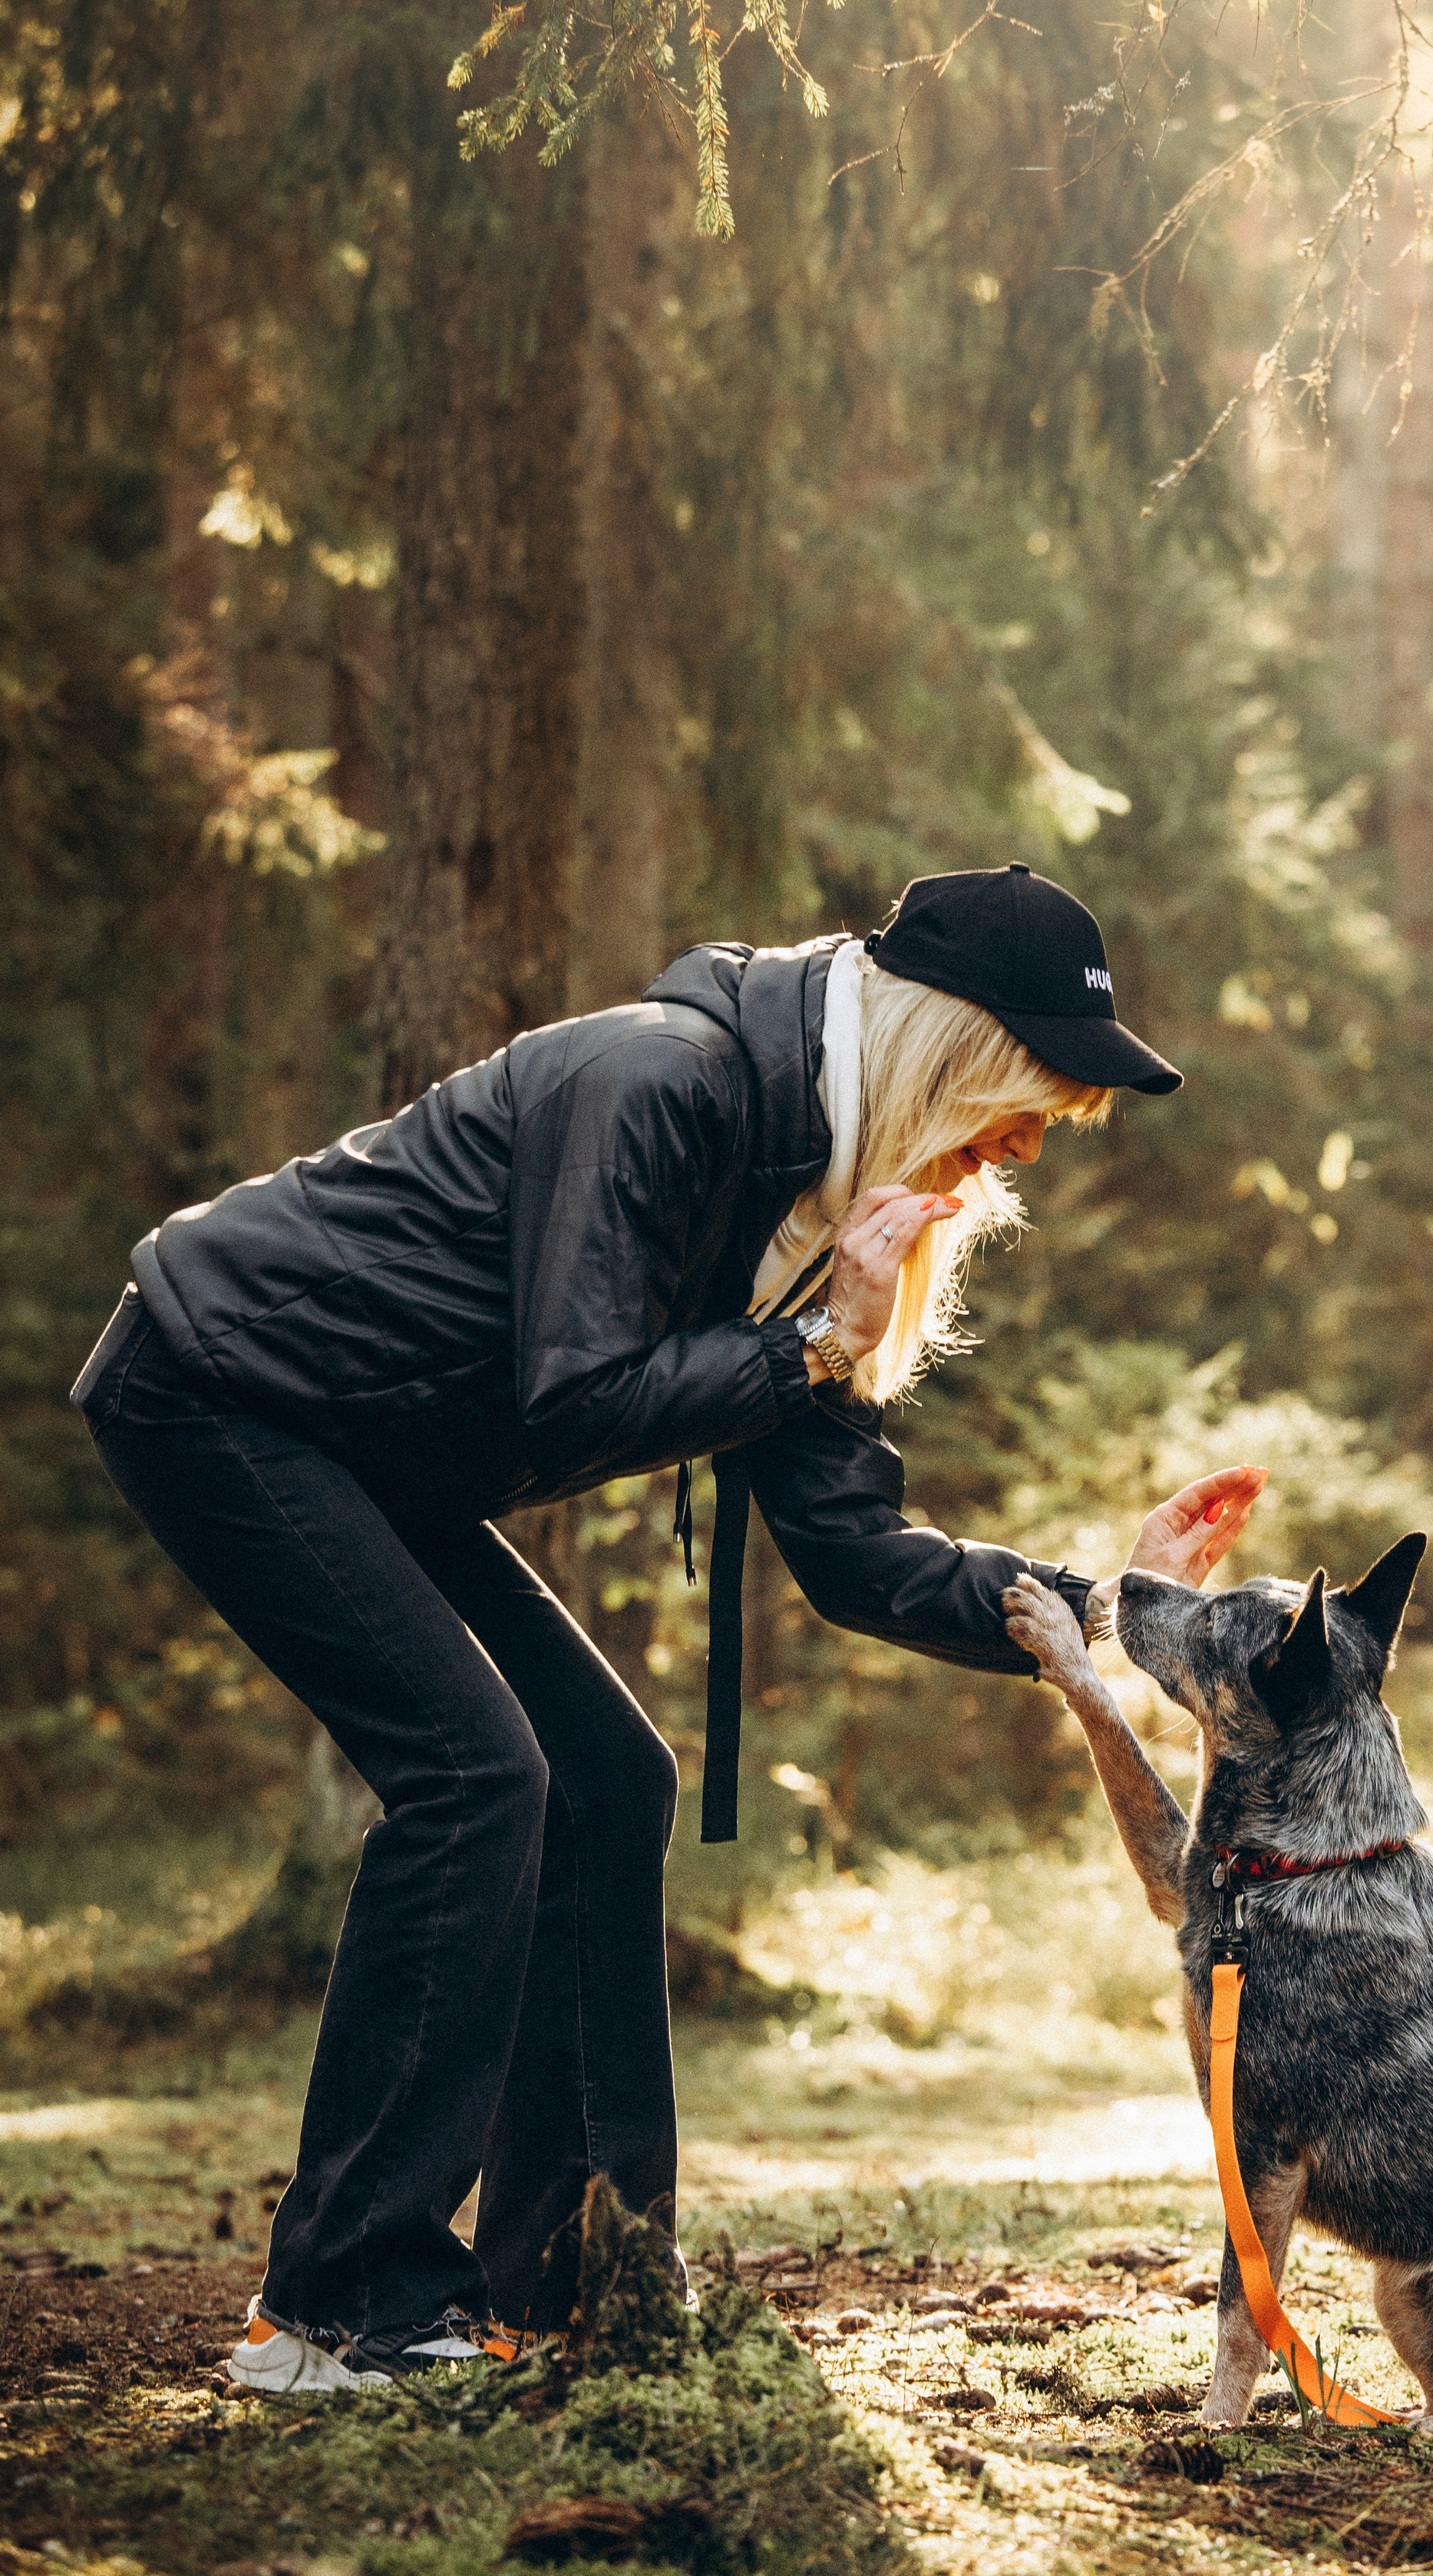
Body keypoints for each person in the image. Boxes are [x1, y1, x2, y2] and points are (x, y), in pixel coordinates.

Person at [72, 862, 1265, 2392]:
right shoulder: (659, 1081)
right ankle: (334, 2308)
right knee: (475, 1774)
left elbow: (852, 1556)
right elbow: (576, 1386)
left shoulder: (828, 1221)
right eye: (1027, 1097)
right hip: (222, 1387)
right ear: (939, 1053)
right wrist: (819, 1338)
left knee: (607, 1779)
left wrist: (1116, 1602)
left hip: (378, 1452)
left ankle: (576, 2287)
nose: (1030, 1145)